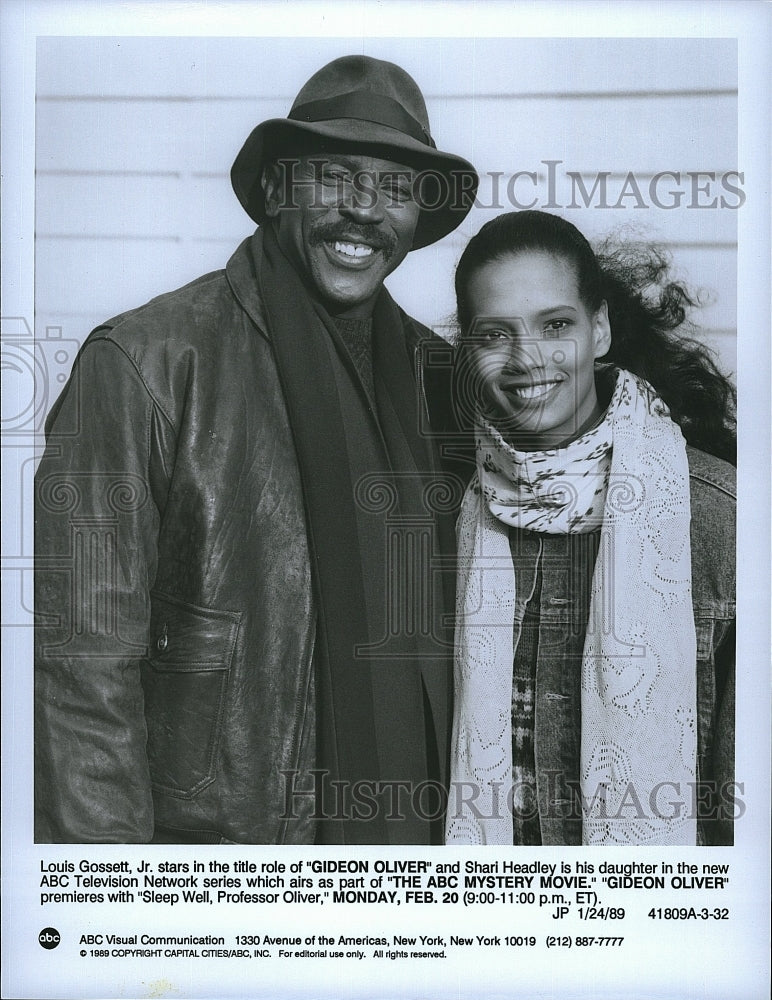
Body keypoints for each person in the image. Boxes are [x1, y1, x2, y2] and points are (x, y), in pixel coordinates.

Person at [34, 56, 478, 845]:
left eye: (395, 188)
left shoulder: (438, 379)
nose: (362, 210)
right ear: (277, 190)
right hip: (219, 856)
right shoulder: (148, 363)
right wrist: (111, 908)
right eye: (334, 175)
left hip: (414, 854)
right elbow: (82, 675)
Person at [445, 210, 735, 846]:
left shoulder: (720, 515)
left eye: (556, 325)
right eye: (496, 334)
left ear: (599, 330)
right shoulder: (458, 515)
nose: (527, 360)